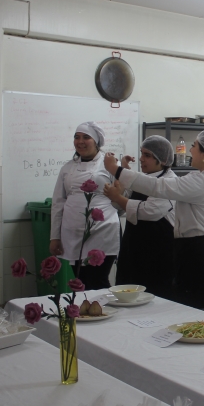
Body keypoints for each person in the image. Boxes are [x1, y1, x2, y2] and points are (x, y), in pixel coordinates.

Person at [104, 129, 204, 314]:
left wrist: (116, 170)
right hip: (200, 256)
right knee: (194, 315)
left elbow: (157, 187)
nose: (190, 150)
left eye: (194, 146)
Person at [50, 122, 120, 291]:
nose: (80, 141)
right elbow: (58, 203)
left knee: (98, 280)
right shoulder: (67, 168)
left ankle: (108, 307)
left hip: (102, 230)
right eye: (77, 137)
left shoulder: (110, 165)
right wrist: (54, 237)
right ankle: (88, 308)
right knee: (81, 281)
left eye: (86, 137)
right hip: (73, 232)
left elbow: (121, 198)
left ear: (96, 141)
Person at [103, 136, 175, 297]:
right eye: (142, 153)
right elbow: (120, 207)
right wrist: (119, 190)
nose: (141, 159)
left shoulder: (170, 182)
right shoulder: (142, 179)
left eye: (147, 155)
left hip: (157, 255)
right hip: (132, 250)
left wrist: (118, 197)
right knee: (126, 296)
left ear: (162, 160)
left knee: (155, 298)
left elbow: (149, 211)